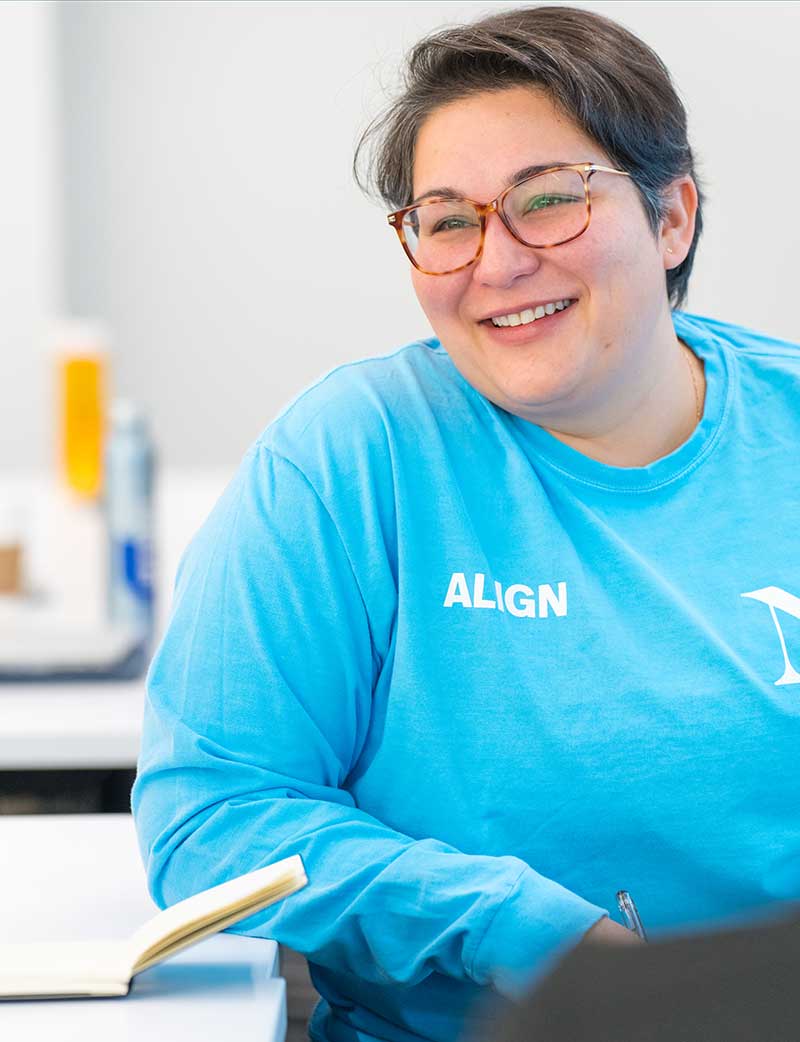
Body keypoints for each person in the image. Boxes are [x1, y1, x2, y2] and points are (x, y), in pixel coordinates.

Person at [132, 6, 800, 1042]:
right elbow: (213, 816)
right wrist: (518, 931)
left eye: (547, 202)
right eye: (447, 221)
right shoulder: (347, 463)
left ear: (671, 217)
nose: (496, 262)